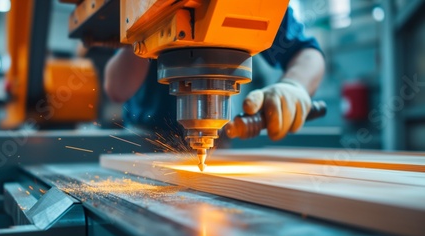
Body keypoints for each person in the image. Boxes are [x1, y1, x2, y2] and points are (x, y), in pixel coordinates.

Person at [104, 7, 325, 143]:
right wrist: (143, 26)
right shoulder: (142, 6)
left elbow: (307, 54)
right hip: (146, 142)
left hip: (220, 141)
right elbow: (116, 88)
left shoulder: (257, 5)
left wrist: (293, 86)